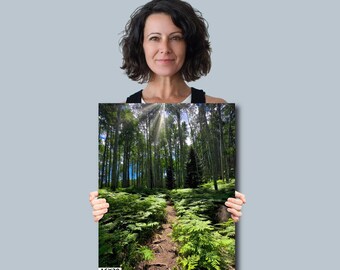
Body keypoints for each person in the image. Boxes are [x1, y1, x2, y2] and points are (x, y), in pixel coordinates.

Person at [89, 0, 246, 222]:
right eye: (154, 38)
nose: (165, 48)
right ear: (140, 45)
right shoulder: (122, 106)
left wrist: (239, 209)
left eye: (176, 37)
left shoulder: (214, 103)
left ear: (189, 44)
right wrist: (96, 211)